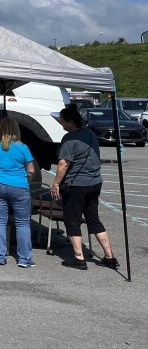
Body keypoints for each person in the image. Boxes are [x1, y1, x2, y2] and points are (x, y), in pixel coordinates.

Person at [51, 104, 119, 270]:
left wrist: (56, 183)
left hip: (76, 185)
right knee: (93, 220)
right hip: (94, 182)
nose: (61, 124)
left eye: (62, 121)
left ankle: (79, 258)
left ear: (71, 122)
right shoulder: (90, 134)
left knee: (72, 220)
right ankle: (110, 257)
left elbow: (63, 163)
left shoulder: (70, 139)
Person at [0, 118, 36, 267]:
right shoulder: (23, 147)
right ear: (16, 129)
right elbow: (31, 170)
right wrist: (26, 181)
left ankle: (0, 256)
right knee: (23, 223)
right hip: (19, 185)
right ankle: (24, 259)